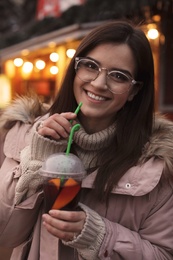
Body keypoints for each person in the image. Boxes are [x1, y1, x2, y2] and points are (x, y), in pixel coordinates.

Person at [0, 20, 173, 260]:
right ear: (75, 69)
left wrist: (99, 236)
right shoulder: (21, 136)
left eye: (119, 76)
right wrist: (38, 159)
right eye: (90, 66)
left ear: (134, 90)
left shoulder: (159, 165)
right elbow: (5, 236)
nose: (99, 83)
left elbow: (164, 254)